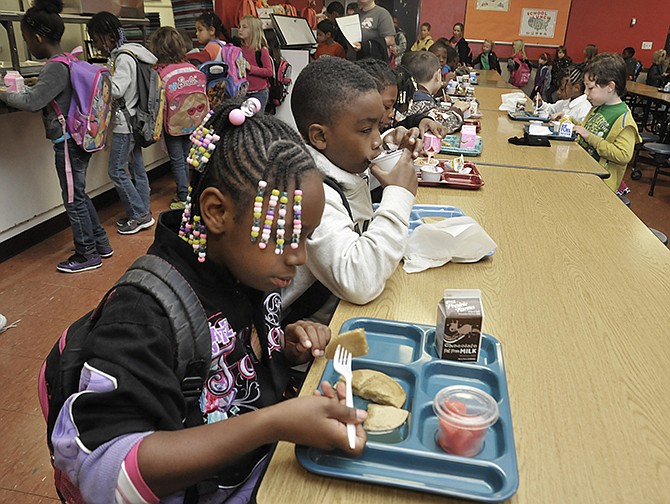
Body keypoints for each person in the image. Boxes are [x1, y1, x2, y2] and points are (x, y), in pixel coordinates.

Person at [48, 97, 368, 503]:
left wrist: (283, 350)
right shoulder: (144, 315)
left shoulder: (249, 270)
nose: (299, 256)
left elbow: (233, 371)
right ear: (216, 211)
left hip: (270, 473)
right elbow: (105, 473)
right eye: (285, 235)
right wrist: (273, 424)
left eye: (306, 237)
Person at [283, 57, 418, 324]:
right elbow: (359, 281)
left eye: (379, 127)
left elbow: (354, 190)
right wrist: (399, 196)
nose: (377, 139)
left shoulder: (338, 165)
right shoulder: (311, 192)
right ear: (319, 137)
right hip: (304, 335)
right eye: (367, 129)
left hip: (336, 314)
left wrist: (390, 152)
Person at [0, 0, 112, 272]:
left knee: (73, 200)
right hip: (78, 138)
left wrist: (3, 93)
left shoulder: (54, 66)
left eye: (27, 39)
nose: (28, 45)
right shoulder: (69, 60)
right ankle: (101, 243)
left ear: (38, 38)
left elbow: (33, 101)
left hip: (67, 143)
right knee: (81, 195)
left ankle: (87, 255)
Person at [87, 11, 156, 235]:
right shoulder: (132, 54)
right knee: (136, 168)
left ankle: (140, 215)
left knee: (116, 171)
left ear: (108, 36)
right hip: (133, 121)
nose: (96, 46)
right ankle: (142, 211)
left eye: (97, 40)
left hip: (124, 124)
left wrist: (96, 75)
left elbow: (116, 90)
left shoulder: (124, 58)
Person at [149, 27, 203, 210]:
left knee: (177, 159)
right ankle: (196, 190)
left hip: (172, 124)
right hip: (193, 121)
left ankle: (183, 195)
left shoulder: (161, 74)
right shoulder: (192, 68)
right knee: (191, 156)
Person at [575, 53, 641, 192]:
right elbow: (587, 129)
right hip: (582, 174)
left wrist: (590, 138)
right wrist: (569, 122)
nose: (586, 93)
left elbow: (623, 155)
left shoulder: (623, 119)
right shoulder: (597, 107)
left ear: (610, 86)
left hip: (601, 187)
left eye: (591, 88)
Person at [403, 51, 467, 128]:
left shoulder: (414, 93)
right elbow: (440, 124)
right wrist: (457, 110)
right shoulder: (422, 100)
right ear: (437, 75)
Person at [238, 15, 273, 113]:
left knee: (256, 122)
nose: (240, 30)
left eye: (244, 27)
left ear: (253, 30)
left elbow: (269, 71)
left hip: (259, 93)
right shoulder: (238, 49)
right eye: (239, 27)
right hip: (243, 93)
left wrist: (251, 68)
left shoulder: (261, 50)